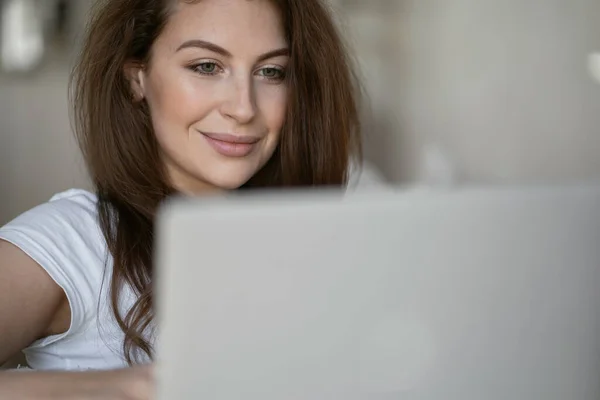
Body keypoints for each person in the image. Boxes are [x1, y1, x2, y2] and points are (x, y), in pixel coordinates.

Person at [0, 0, 362, 397]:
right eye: (206, 66)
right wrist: (126, 388)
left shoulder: (304, 243)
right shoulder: (74, 241)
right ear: (137, 77)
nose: (243, 108)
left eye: (270, 71)